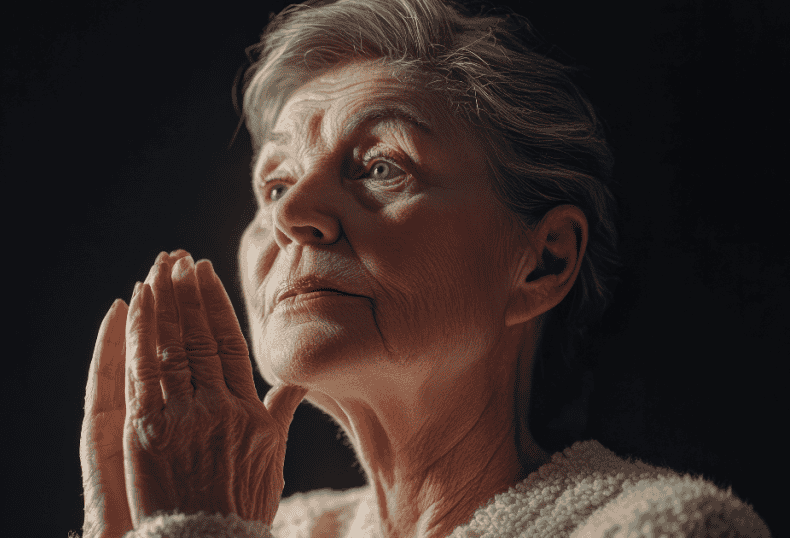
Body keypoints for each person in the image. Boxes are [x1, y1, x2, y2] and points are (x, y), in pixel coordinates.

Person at [76, 1, 771, 536]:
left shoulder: (672, 524)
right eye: (276, 184)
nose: (294, 214)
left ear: (544, 261)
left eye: (382, 166)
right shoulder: (281, 527)